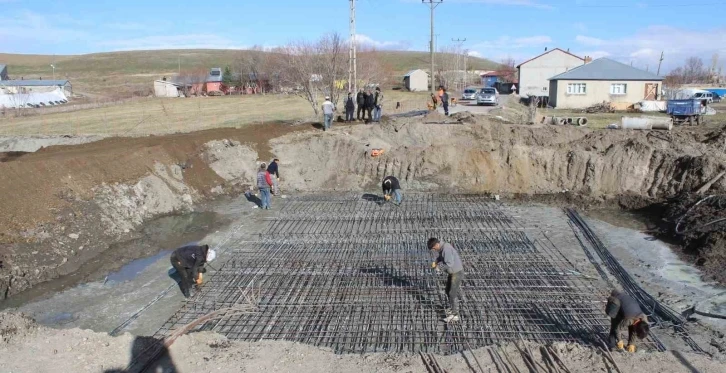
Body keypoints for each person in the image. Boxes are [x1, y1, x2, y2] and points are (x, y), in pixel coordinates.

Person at [428, 238, 464, 322]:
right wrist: (436, 261)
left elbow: (449, 264)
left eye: (433, 248)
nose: (433, 250)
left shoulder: (446, 249)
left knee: (452, 293)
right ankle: (452, 308)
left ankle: (454, 315)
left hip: (456, 273)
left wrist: (439, 268)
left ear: (436, 245)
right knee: (447, 290)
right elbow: (441, 257)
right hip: (453, 273)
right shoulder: (443, 247)